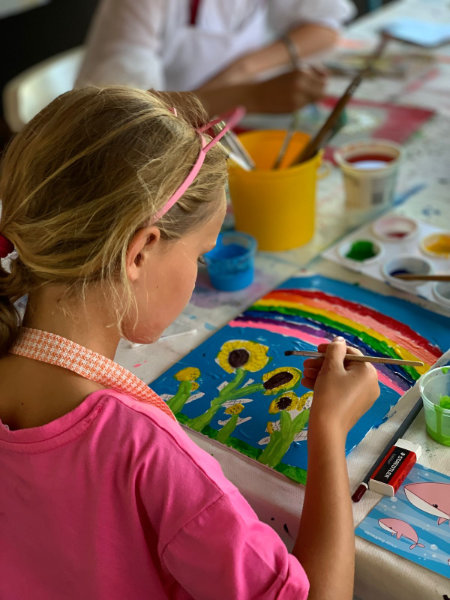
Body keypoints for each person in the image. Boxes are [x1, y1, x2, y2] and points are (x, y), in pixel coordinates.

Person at [0, 86, 379, 600]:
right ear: (140, 252)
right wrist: (329, 430)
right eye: (200, 255)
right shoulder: (147, 454)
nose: (199, 272)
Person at [76, 0, 355, 115]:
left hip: (212, 124)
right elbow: (127, 117)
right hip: (134, 156)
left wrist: (244, 69)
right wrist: (251, 96)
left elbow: (325, 28)